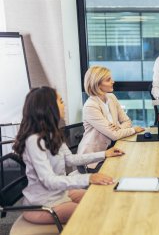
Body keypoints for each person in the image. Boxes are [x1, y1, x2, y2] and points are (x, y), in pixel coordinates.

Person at [13, 87, 124, 224]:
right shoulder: (34, 141)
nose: (64, 104)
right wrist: (89, 178)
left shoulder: (52, 133)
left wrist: (104, 154)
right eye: (60, 101)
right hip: (42, 205)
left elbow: (70, 159)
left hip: (60, 194)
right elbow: (49, 180)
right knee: (94, 212)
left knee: (101, 198)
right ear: (48, 107)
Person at [78, 66, 144, 172]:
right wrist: (133, 130)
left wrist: (118, 127)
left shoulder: (111, 98)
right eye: (108, 80)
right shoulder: (90, 106)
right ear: (97, 84)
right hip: (93, 160)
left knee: (135, 164)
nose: (113, 81)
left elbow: (127, 121)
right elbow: (114, 135)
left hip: (111, 150)